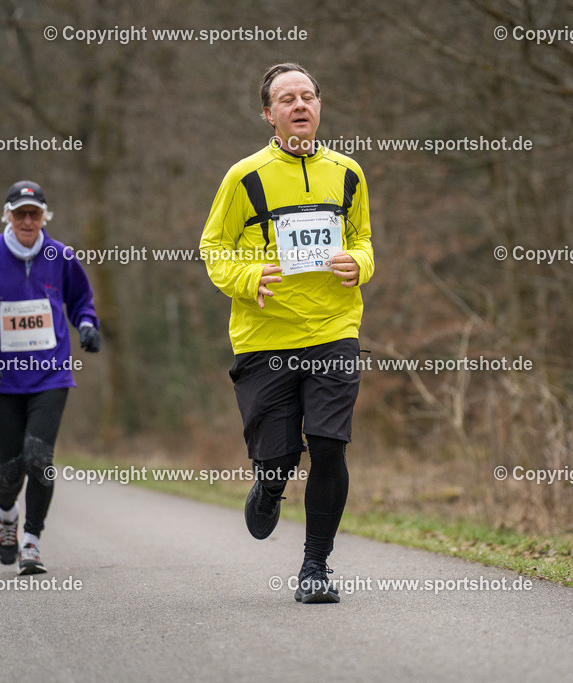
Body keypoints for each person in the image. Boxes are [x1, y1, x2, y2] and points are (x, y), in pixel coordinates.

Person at [199, 63, 374, 603]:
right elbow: (213, 247)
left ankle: (315, 567)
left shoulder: (348, 173)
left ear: (319, 106)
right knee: (278, 455)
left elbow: (363, 238)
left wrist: (360, 263)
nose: (299, 105)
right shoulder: (244, 176)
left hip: (333, 329)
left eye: (308, 96)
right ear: (269, 114)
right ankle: (270, 484)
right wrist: (248, 277)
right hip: (265, 337)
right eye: (287, 99)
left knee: (328, 445)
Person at [0, 180, 101, 575]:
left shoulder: (61, 255)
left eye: (35, 213)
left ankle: (31, 541)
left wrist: (86, 324)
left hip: (50, 375)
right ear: (8, 216)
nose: (27, 220)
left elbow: (82, 300)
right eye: (20, 214)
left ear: (45, 216)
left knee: (39, 459)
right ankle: (6, 516)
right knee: (10, 471)